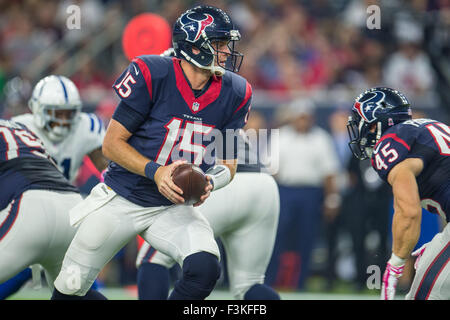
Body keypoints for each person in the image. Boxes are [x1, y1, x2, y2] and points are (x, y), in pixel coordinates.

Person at [51, 5, 252, 300]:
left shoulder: (235, 92)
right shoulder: (153, 73)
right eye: (219, 44)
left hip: (172, 206)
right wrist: (156, 172)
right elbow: (111, 145)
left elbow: (229, 162)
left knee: (205, 266)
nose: (226, 51)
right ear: (194, 47)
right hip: (123, 196)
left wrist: (209, 181)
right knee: (69, 288)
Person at [136, 130, 281, 300]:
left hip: (217, 181)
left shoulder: (181, 106)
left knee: (154, 260)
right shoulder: (228, 106)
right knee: (249, 284)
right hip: (262, 183)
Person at [0, 75, 108, 299]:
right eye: (56, 112)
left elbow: (109, 170)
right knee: (76, 294)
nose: (62, 120)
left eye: (68, 113)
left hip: (29, 213)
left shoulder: (17, 127)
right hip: (70, 209)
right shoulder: (21, 128)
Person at [347, 86, 449, 300]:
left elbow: (408, 212)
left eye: (362, 124)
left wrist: (395, 264)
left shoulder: (390, 142)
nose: (361, 131)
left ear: (377, 123)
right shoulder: (427, 127)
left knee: (424, 295)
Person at [266, 98, 341, 290]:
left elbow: (329, 173)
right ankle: (272, 280)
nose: (303, 121)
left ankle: (301, 282)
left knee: (306, 237)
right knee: (277, 237)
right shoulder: (280, 137)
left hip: (311, 193)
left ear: (312, 118)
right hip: (285, 191)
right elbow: (271, 171)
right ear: (293, 118)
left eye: (306, 117)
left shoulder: (321, 138)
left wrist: (332, 199)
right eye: (300, 117)